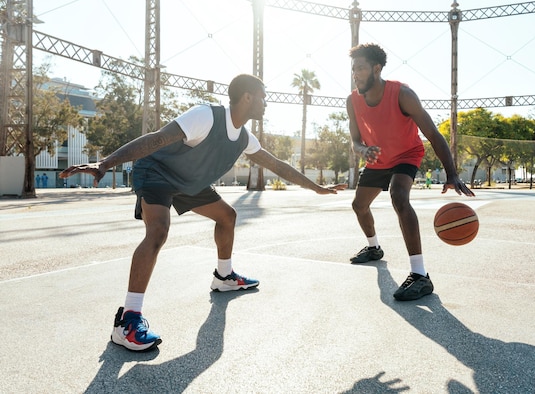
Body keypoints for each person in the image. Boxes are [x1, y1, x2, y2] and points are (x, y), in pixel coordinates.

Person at [60, 74, 346, 351]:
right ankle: (127, 322)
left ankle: (224, 277)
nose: (266, 104)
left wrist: (316, 188)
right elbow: (157, 140)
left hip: (188, 182)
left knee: (227, 216)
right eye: (263, 98)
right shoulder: (206, 116)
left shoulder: (244, 137)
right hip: (157, 172)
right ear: (247, 97)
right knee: (158, 231)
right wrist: (106, 163)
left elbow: (278, 165)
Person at [346, 43, 474, 301]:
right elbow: (354, 141)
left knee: (399, 196)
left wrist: (452, 173)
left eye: (360, 68)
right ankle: (374, 249)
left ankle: (420, 275)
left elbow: (433, 134)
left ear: (376, 68)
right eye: (353, 69)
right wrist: (362, 150)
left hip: (406, 154)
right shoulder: (352, 101)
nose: (355, 74)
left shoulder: (402, 94)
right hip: (377, 158)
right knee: (359, 206)